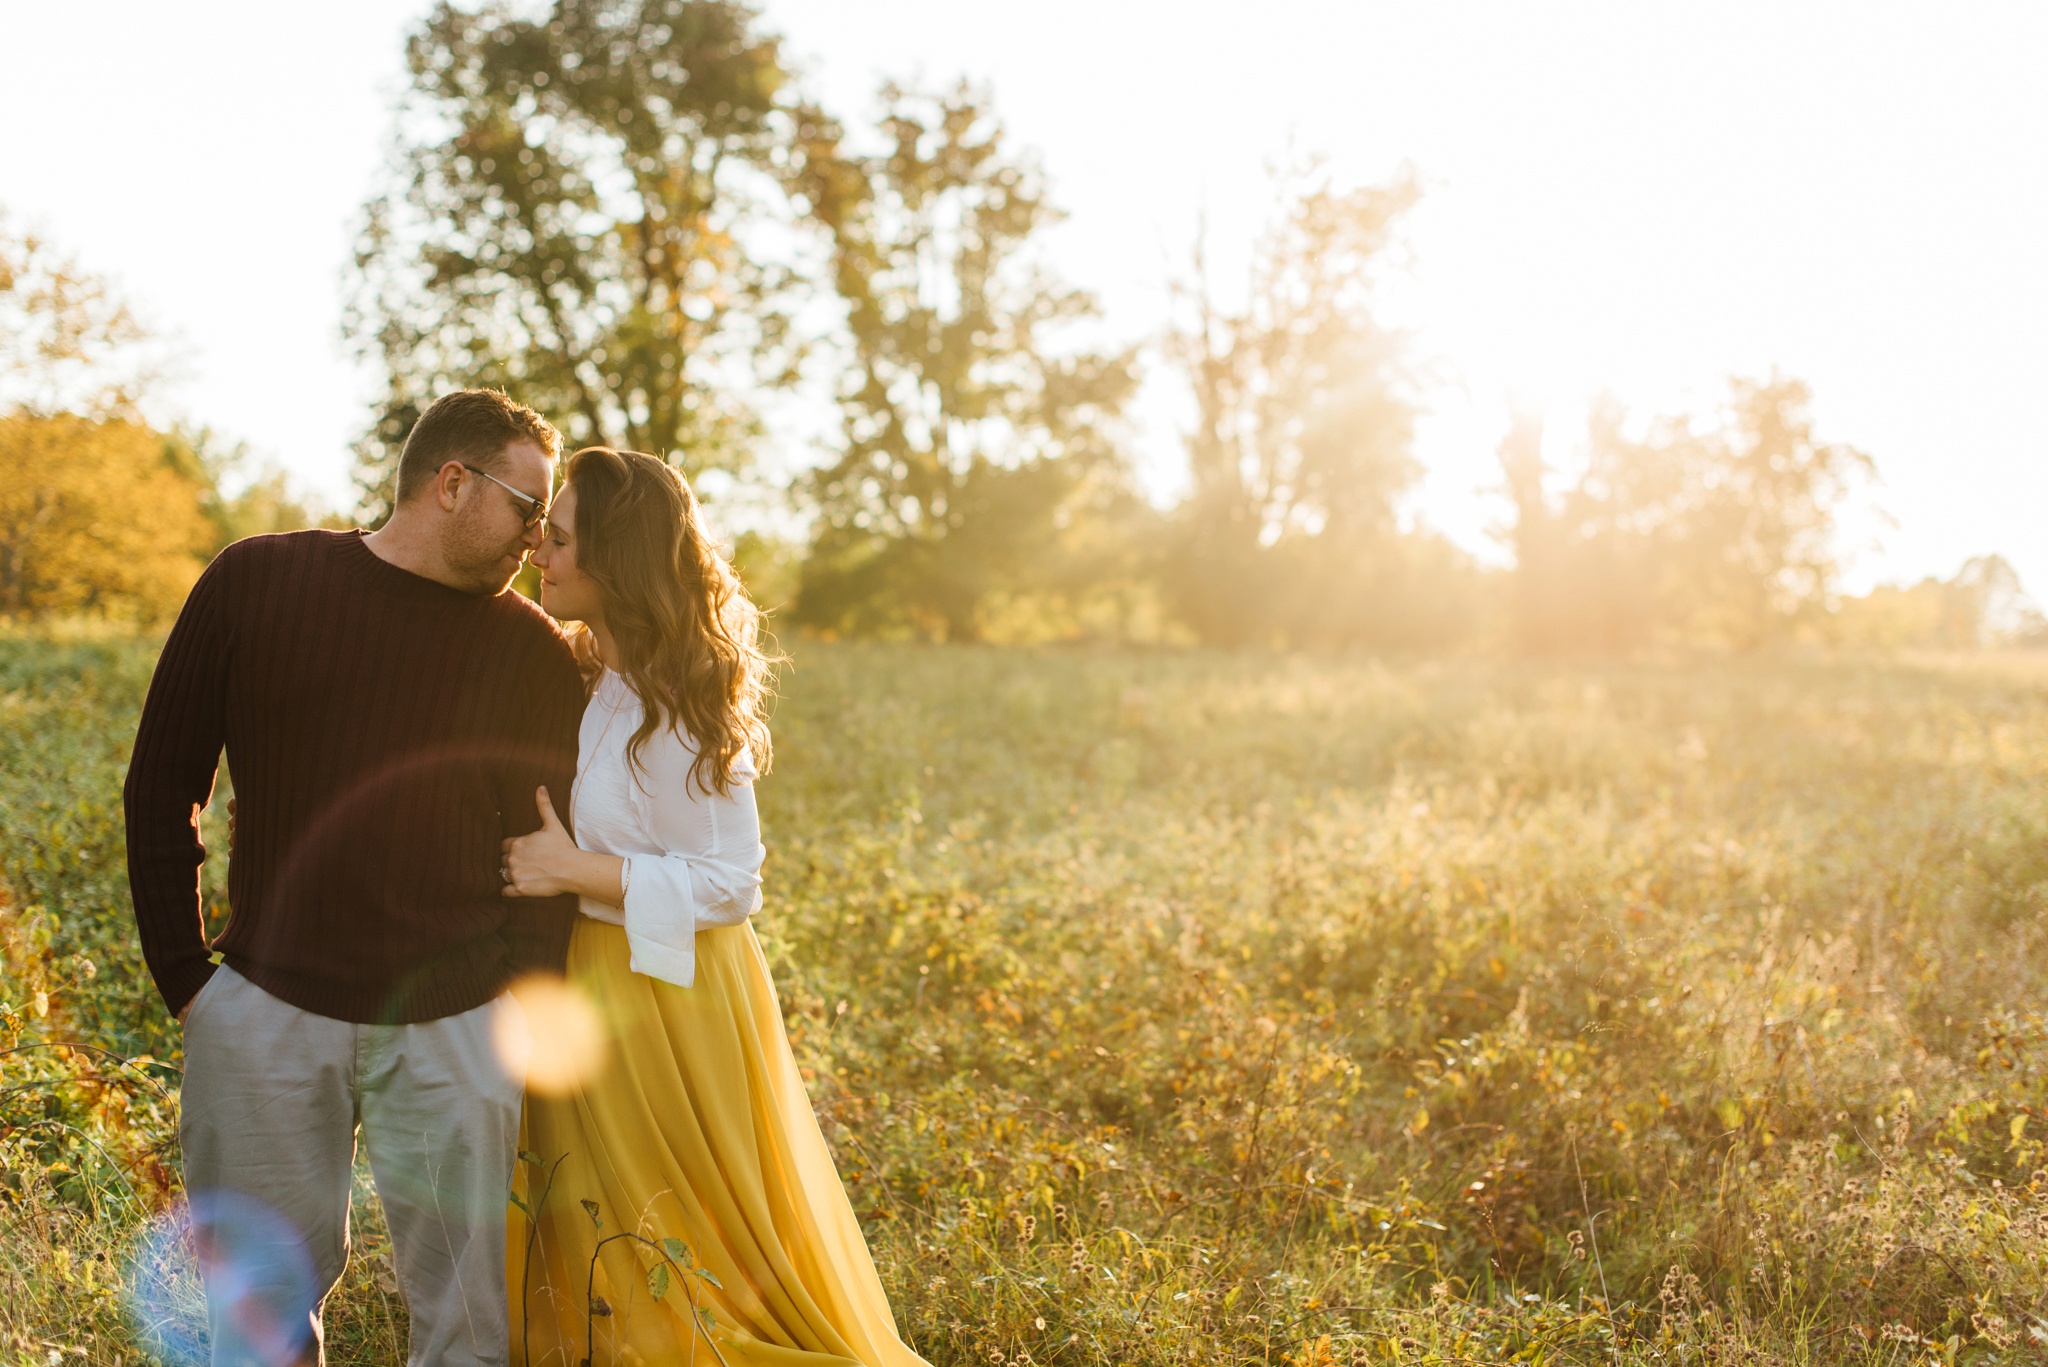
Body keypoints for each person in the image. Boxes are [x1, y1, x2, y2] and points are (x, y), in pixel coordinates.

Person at [124, 389, 586, 1367]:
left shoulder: (532, 653)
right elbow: (164, 779)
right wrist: (190, 982)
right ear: (452, 482)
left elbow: (547, 847)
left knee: (469, 1320)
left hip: (459, 1024)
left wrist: (516, 1011)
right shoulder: (256, 581)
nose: (536, 540)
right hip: (266, 1011)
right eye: (527, 509)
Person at [498, 446, 929, 1367]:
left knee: (680, 1229)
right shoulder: (597, 674)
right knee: (601, 1216)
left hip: (676, 997)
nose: (543, 551)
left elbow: (734, 883)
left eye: (563, 538)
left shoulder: (681, 705)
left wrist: (573, 869)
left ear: (616, 559)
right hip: (597, 984)